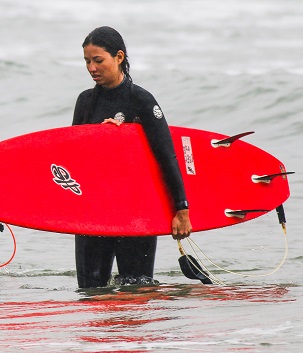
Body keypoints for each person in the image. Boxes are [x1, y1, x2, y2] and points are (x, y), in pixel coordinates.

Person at [72, 26, 192, 288]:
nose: (91, 68)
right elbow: (73, 160)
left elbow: (166, 155)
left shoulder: (142, 101)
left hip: (137, 209)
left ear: (119, 57)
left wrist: (181, 209)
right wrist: (98, 139)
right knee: (91, 294)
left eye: (98, 60)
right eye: (87, 61)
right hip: (94, 212)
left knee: (136, 290)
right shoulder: (85, 102)